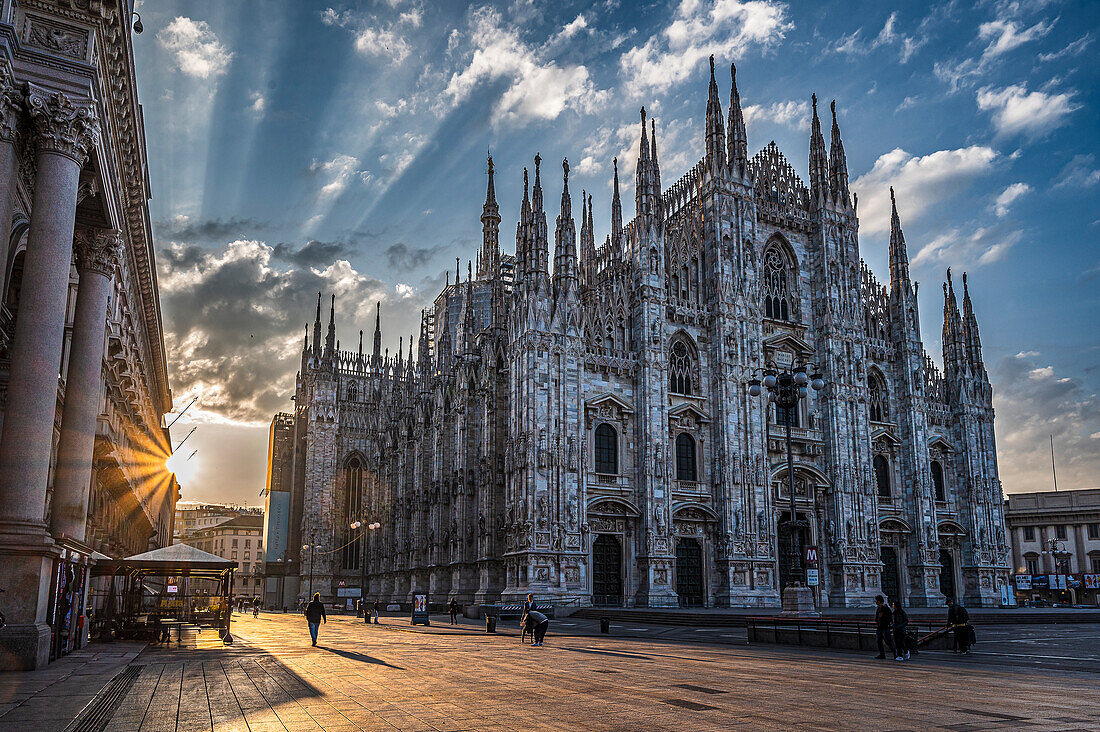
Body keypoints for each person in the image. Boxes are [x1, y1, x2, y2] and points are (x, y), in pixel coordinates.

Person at [873, 595, 896, 660]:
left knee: (888, 641)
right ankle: (882, 654)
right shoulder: (878, 608)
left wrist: (888, 623)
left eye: (876, 601)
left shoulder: (885, 608)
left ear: (879, 601)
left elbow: (889, 617)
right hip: (879, 627)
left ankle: (895, 653)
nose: (875, 602)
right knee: (878, 641)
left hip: (885, 627)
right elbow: (877, 618)